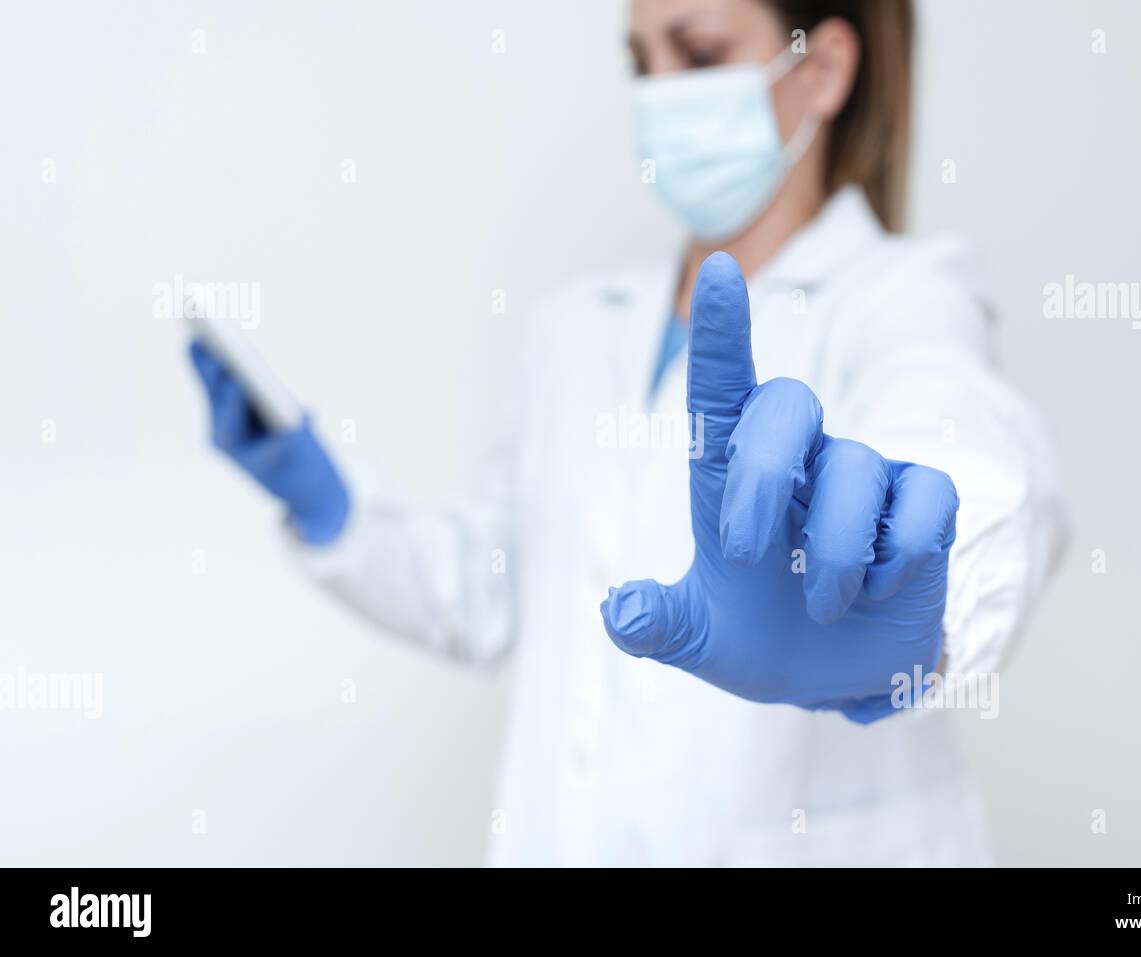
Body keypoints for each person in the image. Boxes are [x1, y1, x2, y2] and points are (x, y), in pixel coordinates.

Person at [188, 0, 1065, 865]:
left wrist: (920, 602)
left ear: (823, 69)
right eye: (641, 64)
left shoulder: (902, 295)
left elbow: (970, 448)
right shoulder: (575, 326)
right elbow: (492, 594)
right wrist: (330, 505)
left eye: (697, 52)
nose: (660, 97)